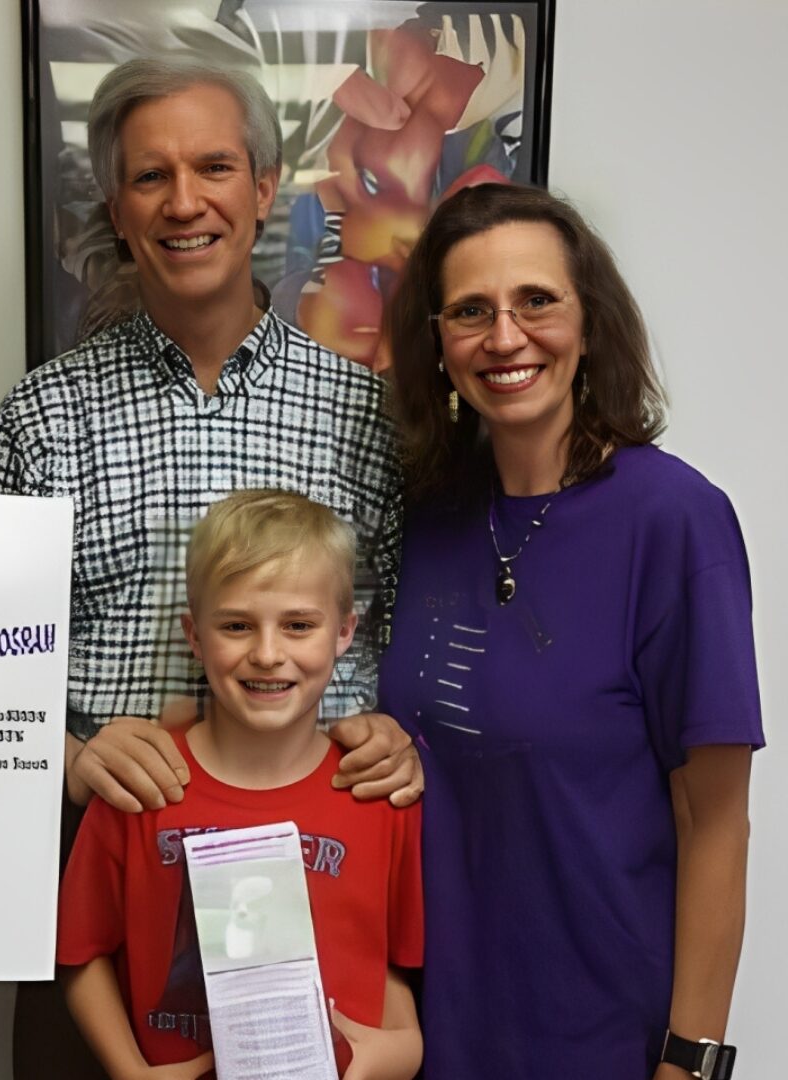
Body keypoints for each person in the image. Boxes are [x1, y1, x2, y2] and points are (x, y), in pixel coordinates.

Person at [0, 55, 421, 1077]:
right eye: (149, 177)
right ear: (118, 210)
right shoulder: (43, 417)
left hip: (323, 872)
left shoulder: (362, 415)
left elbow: (398, 624)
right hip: (103, 867)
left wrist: (397, 735)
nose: (186, 202)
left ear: (264, 189)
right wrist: (70, 754)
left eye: (214, 166)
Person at [381, 183, 762, 1080]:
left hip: (599, 1039)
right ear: (438, 344)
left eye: (536, 302)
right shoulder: (428, 518)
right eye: (471, 311)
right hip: (429, 1036)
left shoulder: (674, 521)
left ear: (590, 325)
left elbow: (717, 821)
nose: (504, 338)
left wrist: (691, 1059)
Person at [57, 490, 424, 1080]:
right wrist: (131, 1071)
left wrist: (400, 1053)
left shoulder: (380, 797)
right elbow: (80, 953)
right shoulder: (139, 786)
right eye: (236, 625)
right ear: (195, 636)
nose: (268, 654)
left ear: (345, 632)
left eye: (299, 625)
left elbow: (393, 966)